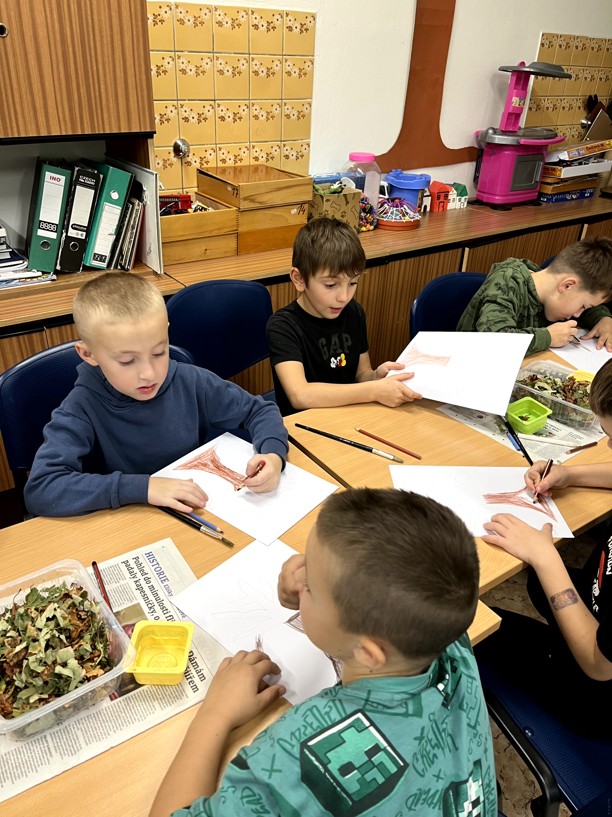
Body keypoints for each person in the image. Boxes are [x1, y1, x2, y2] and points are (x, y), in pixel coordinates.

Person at [149, 488, 498, 817]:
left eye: (310, 587)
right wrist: (322, 580)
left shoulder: (303, 758)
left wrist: (216, 714)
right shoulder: (447, 636)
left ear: (368, 653)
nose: (299, 578)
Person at [24, 271, 288, 517]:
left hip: (198, 510)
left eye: (159, 352)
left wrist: (273, 456)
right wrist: (144, 487)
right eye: (127, 361)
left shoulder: (190, 380)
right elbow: (42, 488)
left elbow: (259, 410)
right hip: (131, 519)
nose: (149, 374)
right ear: (88, 354)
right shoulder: (81, 406)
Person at [478, 358, 612, 737]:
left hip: (598, 692)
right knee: (540, 583)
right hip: (599, 604)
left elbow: (599, 665)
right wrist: (570, 474)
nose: (608, 445)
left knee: (476, 636)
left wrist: (545, 556)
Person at [266, 217, 422, 415]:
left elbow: (361, 374)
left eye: (353, 283)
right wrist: (374, 390)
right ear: (299, 279)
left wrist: (375, 376)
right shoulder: (283, 325)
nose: (344, 297)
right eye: (331, 285)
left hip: (348, 415)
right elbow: (301, 395)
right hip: (303, 424)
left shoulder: (353, 312)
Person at [457, 237, 612, 356]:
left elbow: (587, 306)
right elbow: (495, 341)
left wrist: (603, 319)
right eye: (583, 306)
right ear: (567, 286)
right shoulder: (508, 281)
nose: (578, 314)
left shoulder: (550, 292)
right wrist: (547, 337)